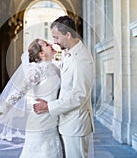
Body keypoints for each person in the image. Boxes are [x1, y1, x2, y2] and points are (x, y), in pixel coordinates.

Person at [0, 39, 63, 158]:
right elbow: (18, 92)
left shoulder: (54, 67)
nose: (51, 44)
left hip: (53, 120)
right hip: (39, 122)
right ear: (41, 53)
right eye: (46, 45)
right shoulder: (36, 71)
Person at [33, 16, 95, 158]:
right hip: (67, 123)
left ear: (67, 34)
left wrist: (49, 107)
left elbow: (79, 96)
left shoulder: (82, 59)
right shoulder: (69, 53)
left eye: (56, 37)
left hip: (75, 125)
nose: (54, 42)